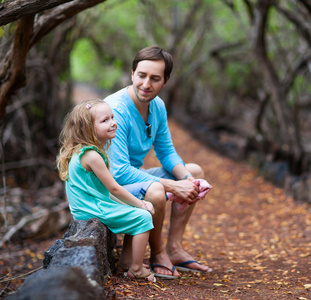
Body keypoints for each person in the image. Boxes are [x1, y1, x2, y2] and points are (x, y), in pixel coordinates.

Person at [104, 46, 212, 279]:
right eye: (141, 75)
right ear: (132, 73)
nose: (146, 84)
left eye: (155, 79)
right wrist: (173, 186)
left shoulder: (157, 106)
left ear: (165, 82)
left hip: (131, 179)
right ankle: (158, 252)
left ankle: (174, 248)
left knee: (194, 171)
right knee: (155, 191)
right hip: (107, 186)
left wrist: (188, 180)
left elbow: (166, 152)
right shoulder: (116, 109)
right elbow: (119, 173)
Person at [56, 99, 156, 282]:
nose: (113, 123)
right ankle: (137, 268)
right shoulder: (92, 155)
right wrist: (141, 204)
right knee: (144, 217)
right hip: (90, 209)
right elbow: (114, 188)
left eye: (112, 117)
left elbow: (105, 191)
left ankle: (125, 263)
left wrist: (134, 205)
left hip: (90, 205)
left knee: (135, 211)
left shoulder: (85, 151)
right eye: (105, 120)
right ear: (87, 129)